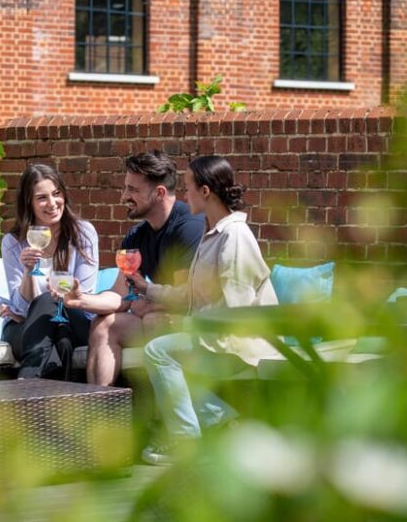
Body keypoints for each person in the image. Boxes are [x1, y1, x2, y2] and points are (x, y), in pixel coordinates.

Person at [136, 155, 279, 465]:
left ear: (205, 192)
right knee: (164, 353)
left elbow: (238, 307)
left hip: (238, 342)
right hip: (213, 336)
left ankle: (188, 441)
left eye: (187, 188)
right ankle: (225, 422)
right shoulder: (212, 233)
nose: (183, 196)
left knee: (160, 352)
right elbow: (190, 294)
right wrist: (146, 287)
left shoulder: (235, 236)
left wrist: (195, 331)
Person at [62, 150, 205, 386]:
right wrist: (80, 300)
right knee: (104, 325)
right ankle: (98, 411)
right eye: (125, 188)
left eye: (133, 190)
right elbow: (120, 295)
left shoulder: (188, 227)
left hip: (199, 325)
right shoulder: (136, 236)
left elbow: (184, 299)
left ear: (159, 193)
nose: (123, 196)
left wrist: (145, 302)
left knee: (155, 320)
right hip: (160, 318)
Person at [0, 164, 99, 380]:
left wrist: (54, 297)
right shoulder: (13, 243)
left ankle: (25, 385)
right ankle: (58, 407)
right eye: (42, 198)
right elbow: (21, 308)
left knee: (50, 304)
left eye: (56, 194)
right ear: (29, 202)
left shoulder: (83, 234)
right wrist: (28, 271)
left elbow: (82, 295)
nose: (52, 203)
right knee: (62, 343)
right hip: (25, 326)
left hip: (74, 318)